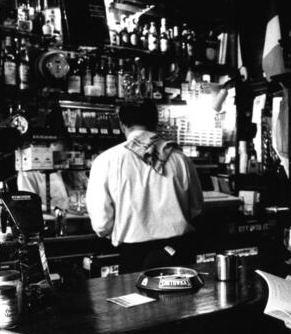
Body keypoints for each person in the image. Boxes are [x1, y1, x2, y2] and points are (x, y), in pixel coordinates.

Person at [86, 100, 204, 274]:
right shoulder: (181, 159)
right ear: (156, 122)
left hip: (134, 255)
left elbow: (102, 224)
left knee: (136, 300)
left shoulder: (106, 161)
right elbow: (196, 210)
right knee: (182, 299)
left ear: (122, 124)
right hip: (178, 251)